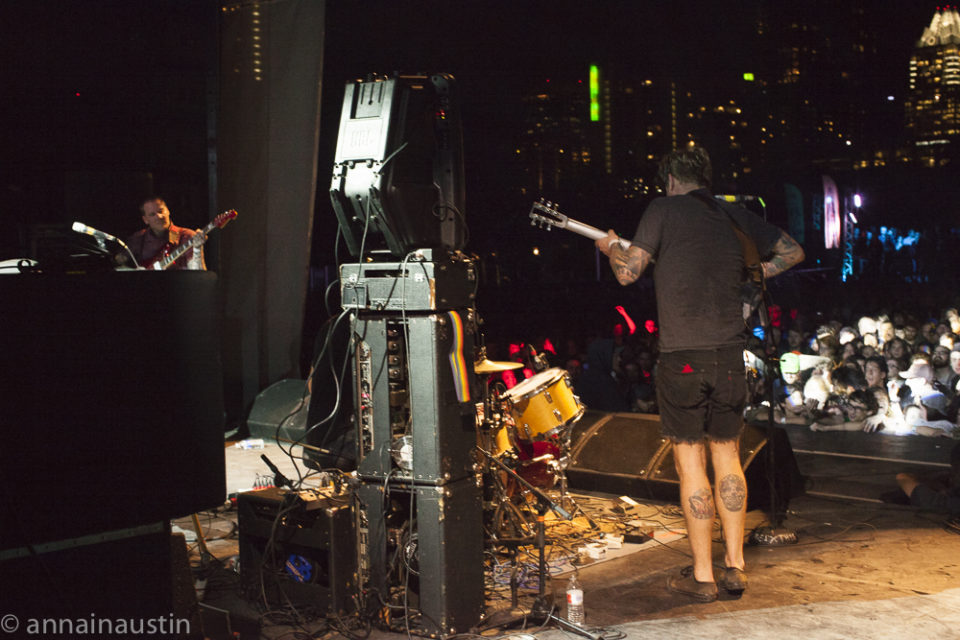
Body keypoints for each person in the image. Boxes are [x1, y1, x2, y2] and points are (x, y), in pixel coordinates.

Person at [595, 146, 804, 602]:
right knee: (727, 455)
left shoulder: (662, 209)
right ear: (705, 179)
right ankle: (735, 566)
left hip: (681, 356)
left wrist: (611, 246)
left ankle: (705, 576)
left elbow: (629, 274)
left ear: (669, 178)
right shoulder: (735, 215)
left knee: (691, 462)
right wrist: (757, 275)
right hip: (729, 354)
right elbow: (793, 251)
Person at [123, 197, 206, 270]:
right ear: (145, 220)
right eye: (152, 214)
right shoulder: (138, 238)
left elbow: (198, 275)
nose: (159, 216)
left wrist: (197, 249)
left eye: (161, 211)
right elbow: (118, 265)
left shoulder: (187, 236)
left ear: (168, 211)